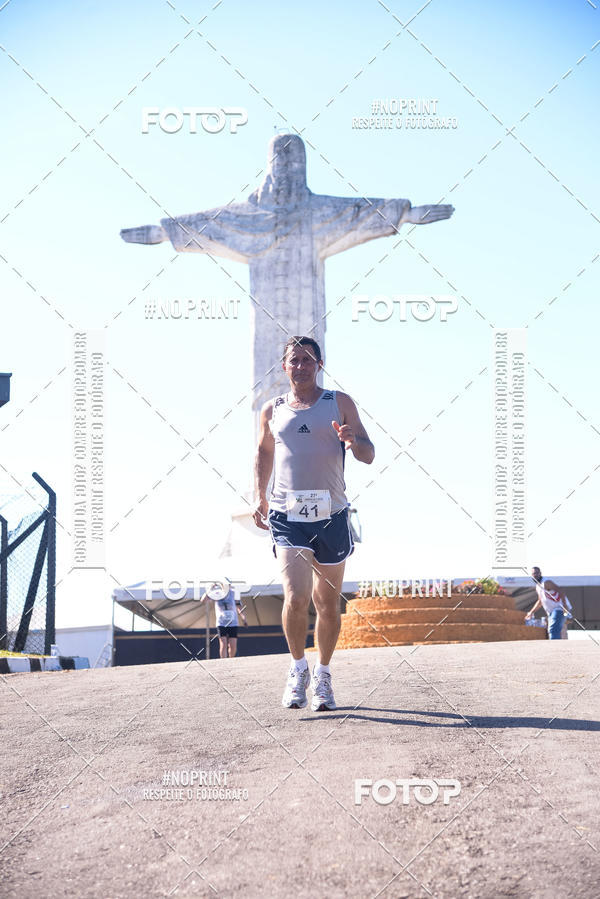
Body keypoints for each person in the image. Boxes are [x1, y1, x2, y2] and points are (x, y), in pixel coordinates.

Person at [253, 336, 375, 710]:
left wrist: (353, 441)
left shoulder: (339, 403)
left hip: (332, 514)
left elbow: (369, 454)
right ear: (284, 366)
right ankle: (297, 669)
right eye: (295, 360)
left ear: (319, 365)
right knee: (296, 596)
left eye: (308, 360)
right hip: (287, 514)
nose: (301, 366)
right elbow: (263, 452)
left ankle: (323, 674)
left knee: (327, 603)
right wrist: (259, 495)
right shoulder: (272, 410)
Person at [204, 580, 248, 658]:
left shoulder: (234, 593)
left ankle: (231, 659)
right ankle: (223, 661)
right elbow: (203, 599)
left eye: (228, 585)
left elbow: (239, 607)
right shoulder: (217, 593)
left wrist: (244, 618)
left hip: (233, 623)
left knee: (232, 645)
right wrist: (210, 588)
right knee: (223, 643)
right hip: (221, 623)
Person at [525, 567, 571, 640]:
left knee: (553, 630)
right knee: (553, 631)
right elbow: (540, 601)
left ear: (540, 573)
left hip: (559, 609)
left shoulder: (546, 583)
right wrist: (531, 612)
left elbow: (561, 591)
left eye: (537, 573)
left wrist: (565, 607)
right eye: (534, 574)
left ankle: (555, 646)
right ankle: (558, 645)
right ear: (531, 575)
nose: (535, 575)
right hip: (551, 612)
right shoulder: (538, 587)